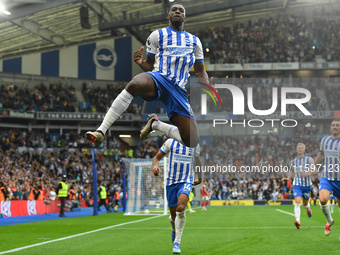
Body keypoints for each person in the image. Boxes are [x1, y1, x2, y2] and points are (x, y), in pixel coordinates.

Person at [85, 2, 212, 149]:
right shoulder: (157, 35)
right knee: (134, 84)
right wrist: (141, 63)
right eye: (174, 10)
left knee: (192, 141)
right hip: (160, 78)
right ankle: (101, 130)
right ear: (168, 16)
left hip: (178, 90)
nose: (177, 12)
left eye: (181, 10)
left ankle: (155, 124)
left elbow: (200, 71)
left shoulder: (195, 41)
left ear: (185, 17)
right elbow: (149, 65)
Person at [152, 138, 202, 254]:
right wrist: (155, 167)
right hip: (170, 183)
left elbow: (198, 162)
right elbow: (157, 158)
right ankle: (174, 228)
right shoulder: (170, 142)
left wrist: (200, 177)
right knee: (174, 216)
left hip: (186, 181)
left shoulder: (194, 144)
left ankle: (177, 243)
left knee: (181, 208)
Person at [303, 119, 340, 236]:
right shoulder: (325, 140)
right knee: (323, 199)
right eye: (333, 125)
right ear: (330, 127)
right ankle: (329, 220)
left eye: (337, 125)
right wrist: (313, 165)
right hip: (327, 176)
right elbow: (321, 154)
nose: (335, 127)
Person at [282, 143, 313, 229]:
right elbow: (292, 171)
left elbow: (315, 170)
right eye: (298, 148)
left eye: (301, 148)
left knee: (304, 204)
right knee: (297, 202)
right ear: (296, 150)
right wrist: (288, 178)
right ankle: (298, 221)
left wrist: (307, 174)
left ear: (304, 150)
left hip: (307, 185)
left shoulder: (309, 160)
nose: (299, 149)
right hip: (297, 185)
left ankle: (308, 208)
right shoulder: (293, 161)